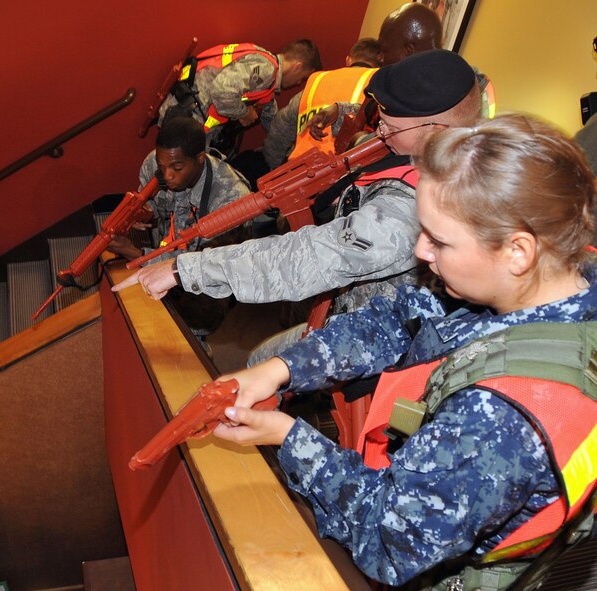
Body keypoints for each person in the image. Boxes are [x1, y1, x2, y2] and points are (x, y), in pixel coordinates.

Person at [211, 114, 597, 590]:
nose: (421, 250)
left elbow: (390, 539)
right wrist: (282, 368)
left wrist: (288, 437)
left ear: (518, 251)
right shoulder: (561, 279)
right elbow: (399, 315)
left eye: (439, 239)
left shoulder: (502, 417)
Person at [114, 50, 484, 365]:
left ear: (435, 129)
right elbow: (373, 124)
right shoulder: (440, 143)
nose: (380, 134)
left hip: (392, 336)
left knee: (264, 366)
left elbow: (308, 257)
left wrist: (184, 270)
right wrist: (342, 111)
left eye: (390, 128)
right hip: (355, 303)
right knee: (264, 359)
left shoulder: (415, 208)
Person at [107, 116, 252, 340]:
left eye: (176, 167)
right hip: (163, 254)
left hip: (204, 288)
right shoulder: (154, 165)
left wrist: (136, 254)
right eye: (162, 166)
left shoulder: (232, 200)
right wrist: (145, 214)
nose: (167, 176)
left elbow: (210, 266)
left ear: (200, 159)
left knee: (186, 338)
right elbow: (155, 206)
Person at [158, 40, 321, 156]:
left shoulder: (267, 80)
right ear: (297, 67)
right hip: (184, 121)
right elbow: (222, 91)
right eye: (302, 77)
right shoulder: (266, 69)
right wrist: (244, 114)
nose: (299, 82)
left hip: (186, 117)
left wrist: (295, 146)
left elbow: (272, 119)